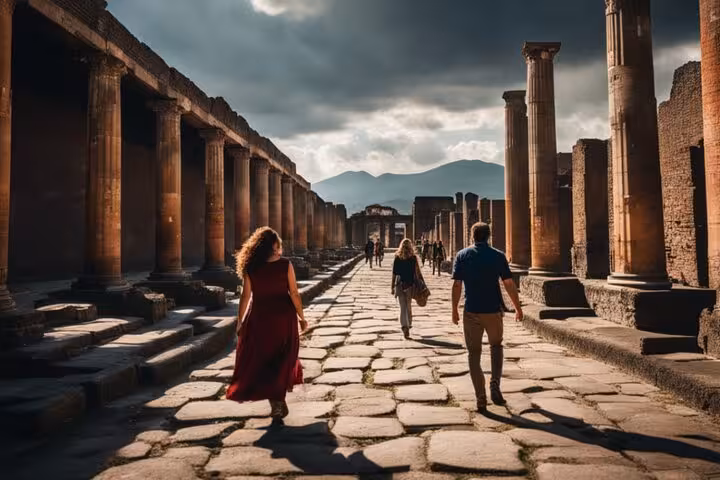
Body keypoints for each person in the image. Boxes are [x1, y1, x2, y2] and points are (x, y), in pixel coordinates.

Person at [227, 227, 307, 420]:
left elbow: (245, 296)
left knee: (264, 359)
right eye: (278, 244)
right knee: (283, 358)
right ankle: (278, 400)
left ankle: (276, 402)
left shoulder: (251, 267)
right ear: (274, 245)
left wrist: (240, 321)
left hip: (259, 317)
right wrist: (302, 317)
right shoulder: (285, 265)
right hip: (283, 317)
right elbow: (294, 293)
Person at [450, 222, 523, 414]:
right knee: (496, 346)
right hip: (492, 310)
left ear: (472, 235)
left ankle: (480, 397)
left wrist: (454, 309)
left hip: (471, 310)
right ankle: (495, 386)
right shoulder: (498, 256)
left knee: (473, 354)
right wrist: (518, 308)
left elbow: (457, 285)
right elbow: (508, 283)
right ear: (489, 236)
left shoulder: (462, 255)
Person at [392, 238, 418, 339]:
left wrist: (392, 286)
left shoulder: (397, 257)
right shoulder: (413, 258)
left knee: (402, 307)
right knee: (408, 305)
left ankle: (404, 326)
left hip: (399, 284)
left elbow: (394, 273)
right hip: (410, 284)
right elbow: (416, 273)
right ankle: (409, 323)